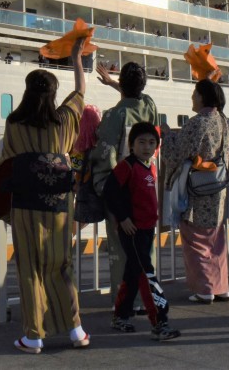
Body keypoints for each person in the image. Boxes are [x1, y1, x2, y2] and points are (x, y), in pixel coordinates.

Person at [0, 37, 90, 353]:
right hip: (60, 203)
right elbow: (80, 93)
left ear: (27, 92)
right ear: (52, 94)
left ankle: (34, 336)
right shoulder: (64, 120)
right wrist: (76, 58)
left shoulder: (13, 123)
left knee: (30, 268)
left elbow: (7, 163)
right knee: (60, 265)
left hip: (25, 205)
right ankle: (76, 330)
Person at [90, 61, 159, 327]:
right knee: (144, 246)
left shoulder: (113, 115)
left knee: (121, 247)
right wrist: (116, 85)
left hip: (122, 186)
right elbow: (136, 97)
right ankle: (144, 298)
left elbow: (104, 152)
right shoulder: (149, 106)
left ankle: (123, 302)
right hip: (146, 183)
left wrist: (100, 187)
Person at [102, 122, 181, 342]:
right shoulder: (126, 166)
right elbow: (110, 192)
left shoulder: (150, 166)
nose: (147, 147)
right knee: (147, 274)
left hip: (147, 228)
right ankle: (160, 323)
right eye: (142, 142)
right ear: (131, 144)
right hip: (133, 230)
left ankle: (120, 316)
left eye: (152, 143)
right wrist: (123, 218)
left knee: (133, 274)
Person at [162, 78, 229, 304]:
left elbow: (179, 152)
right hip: (217, 186)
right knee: (215, 239)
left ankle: (204, 289)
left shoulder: (198, 122)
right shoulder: (222, 120)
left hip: (197, 187)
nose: (192, 97)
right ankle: (221, 287)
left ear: (202, 96)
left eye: (195, 93)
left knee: (195, 238)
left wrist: (166, 135)